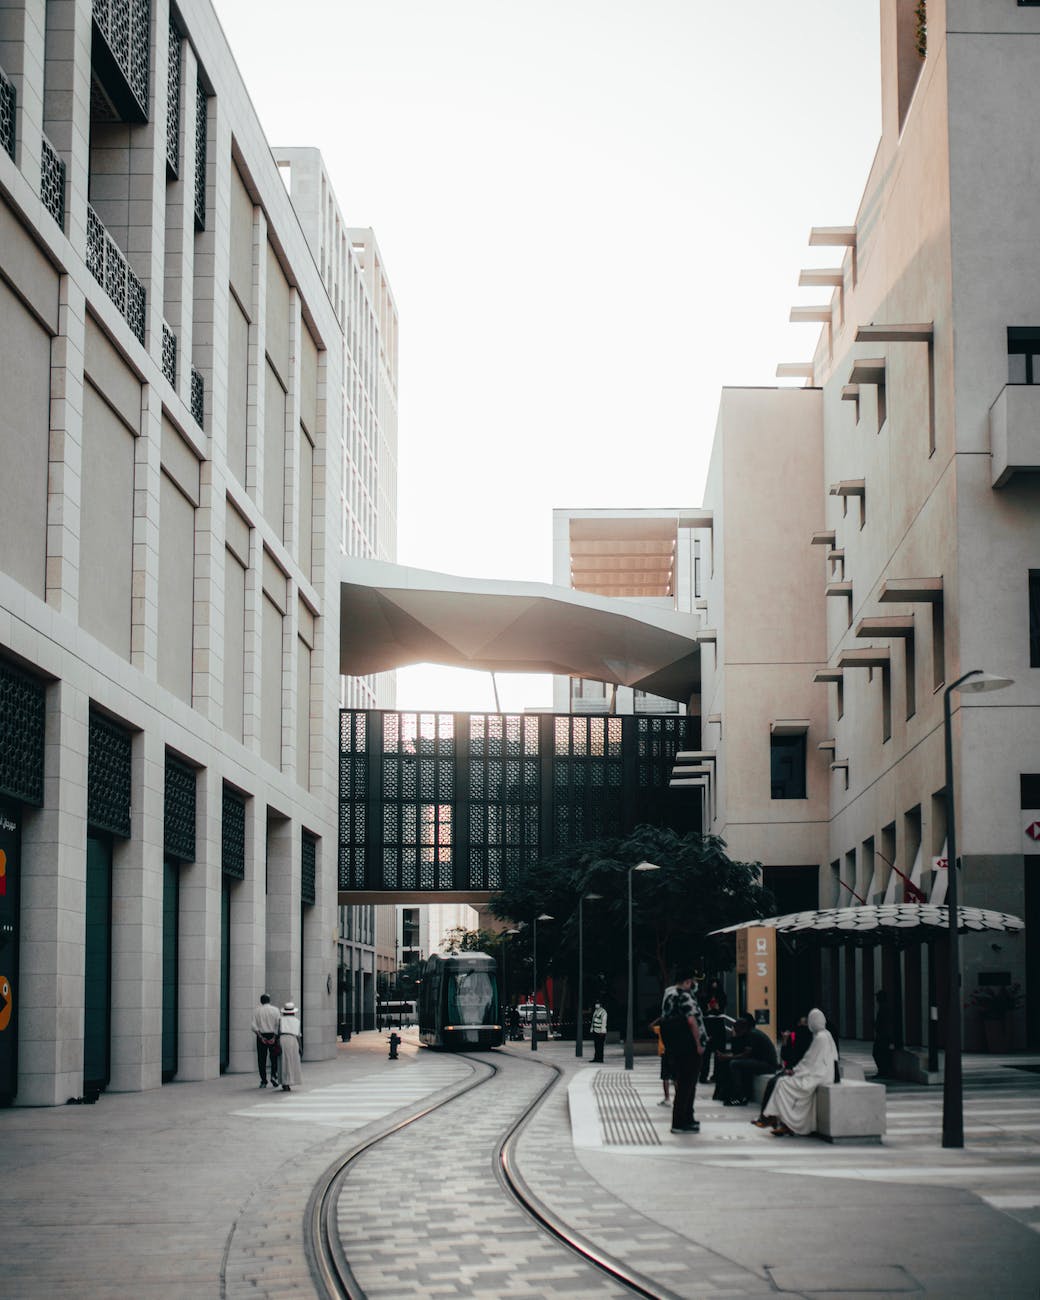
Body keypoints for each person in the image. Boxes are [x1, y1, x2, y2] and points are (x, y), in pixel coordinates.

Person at [757, 1008, 838, 1136]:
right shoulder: (825, 1035)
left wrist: (795, 1071)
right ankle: (778, 1120)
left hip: (818, 1076)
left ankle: (782, 1122)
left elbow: (809, 1060)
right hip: (821, 1073)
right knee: (782, 1082)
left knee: (783, 1084)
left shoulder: (820, 1037)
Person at [659, 968, 705, 1134]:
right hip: (689, 1048)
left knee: (683, 1084)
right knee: (688, 1085)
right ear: (687, 981)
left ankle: (686, 1119)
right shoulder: (684, 996)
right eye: (692, 981)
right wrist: (699, 1043)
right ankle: (681, 1121)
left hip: (676, 1047)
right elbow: (692, 1020)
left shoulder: (669, 995)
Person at [714, 1014, 778, 1105]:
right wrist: (734, 1039)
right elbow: (737, 1052)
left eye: (737, 1029)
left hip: (768, 1065)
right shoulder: (749, 1033)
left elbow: (745, 1055)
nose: (735, 1031)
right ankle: (725, 1094)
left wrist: (726, 1057)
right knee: (729, 1063)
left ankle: (740, 1097)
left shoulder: (753, 1034)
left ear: (743, 1028)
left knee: (734, 1064)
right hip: (762, 1062)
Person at [699, 979, 728, 1083]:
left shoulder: (721, 996)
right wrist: (709, 1009)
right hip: (709, 1025)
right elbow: (703, 1009)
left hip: (717, 1025)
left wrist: (716, 1008)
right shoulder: (704, 996)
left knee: (718, 1052)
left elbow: (721, 1009)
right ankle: (704, 1075)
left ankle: (717, 1075)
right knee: (707, 1053)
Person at [250, 993, 281, 1088]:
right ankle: (273, 1076)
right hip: (272, 1034)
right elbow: (278, 1024)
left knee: (261, 1059)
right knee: (274, 1058)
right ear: (269, 1000)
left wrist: (260, 1037)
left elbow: (254, 1026)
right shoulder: (275, 1010)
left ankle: (263, 1080)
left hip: (261, 1035)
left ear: (261, 1001)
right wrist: (274, 1038)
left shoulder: (257, 1011)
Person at [278, 1001, 303, 1092]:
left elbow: (278, 1032)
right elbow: (298, 1035)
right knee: (292, 1061)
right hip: (293, 1040)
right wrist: (300, 1047)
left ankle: (284, 1082)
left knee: (283, 1061)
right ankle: (290, 1080)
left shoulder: (281, 1020)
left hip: (283, 1039)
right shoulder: (297, 1021)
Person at [873, 989, 894, 1079]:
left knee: (878, 1053)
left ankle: (883, 1071)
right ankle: (884, 1071)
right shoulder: (884, 1007)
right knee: (881, 1054)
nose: (876, 999)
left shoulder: (884, 1008)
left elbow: (886, 1024)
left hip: (883, 1036)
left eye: (877, 997)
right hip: (883, 1035)